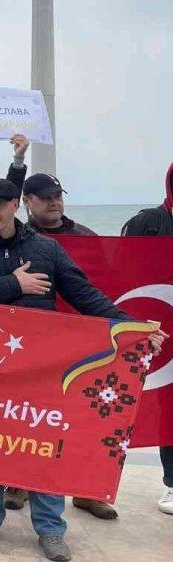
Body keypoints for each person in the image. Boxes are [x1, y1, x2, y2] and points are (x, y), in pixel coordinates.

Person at [0, 178, 167, 561]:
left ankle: (50, 526)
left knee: (45, 443)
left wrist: (130, 327)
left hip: (40, 367)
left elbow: (84, 295)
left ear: (16, 205)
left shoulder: (46, 249)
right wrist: (11, 283)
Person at [11, 171, 114, 520]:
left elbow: (99, 287)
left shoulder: (86, 236)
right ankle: (20, 481)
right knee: (29, 416)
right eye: (45, 196)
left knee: (86, 418)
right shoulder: (18, 240)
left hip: (84, 340)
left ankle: (87, 491)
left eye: (57, 195)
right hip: (34, 342)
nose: (54, 201)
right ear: (27, 201)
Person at [121, 161, 173, 514]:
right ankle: (172, 484)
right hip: (162, 326)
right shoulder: (146, 223)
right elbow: (121, 270)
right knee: (167, 403)